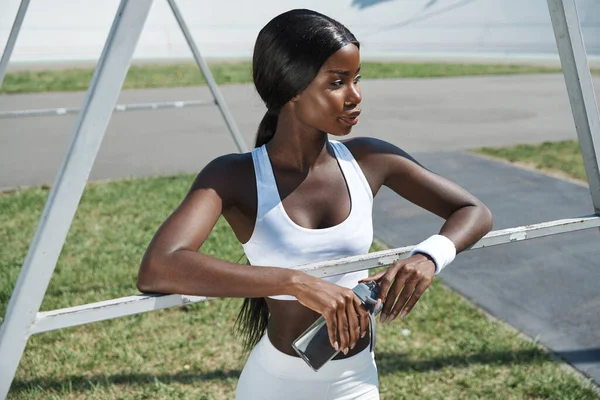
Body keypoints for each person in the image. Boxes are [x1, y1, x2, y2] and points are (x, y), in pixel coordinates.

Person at [137, 8, 493, 400]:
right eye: (337, 82)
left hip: (355, 382)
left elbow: (474, 212)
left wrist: (429, 256)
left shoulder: (371, 160)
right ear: (292, 87)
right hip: (274, 385)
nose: (355, 96)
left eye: (357, 80)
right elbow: (160, 266)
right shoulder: (234, 176)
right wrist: (297, 282)